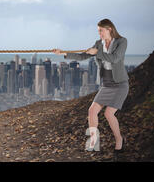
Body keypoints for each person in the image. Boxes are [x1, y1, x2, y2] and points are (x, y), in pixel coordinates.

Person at [53, 18, 129, 154]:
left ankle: (119, 140)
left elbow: (115, 58)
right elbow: (83, 57)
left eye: (101, 30)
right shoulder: (98, 43)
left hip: (119, 84)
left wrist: (97, 53)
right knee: (92, 111)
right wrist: (63, 53)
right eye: (98, 31)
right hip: (106, 84)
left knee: (109, 114)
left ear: (109, 29)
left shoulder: (121, 42)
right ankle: (93, 142)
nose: (99, 33)